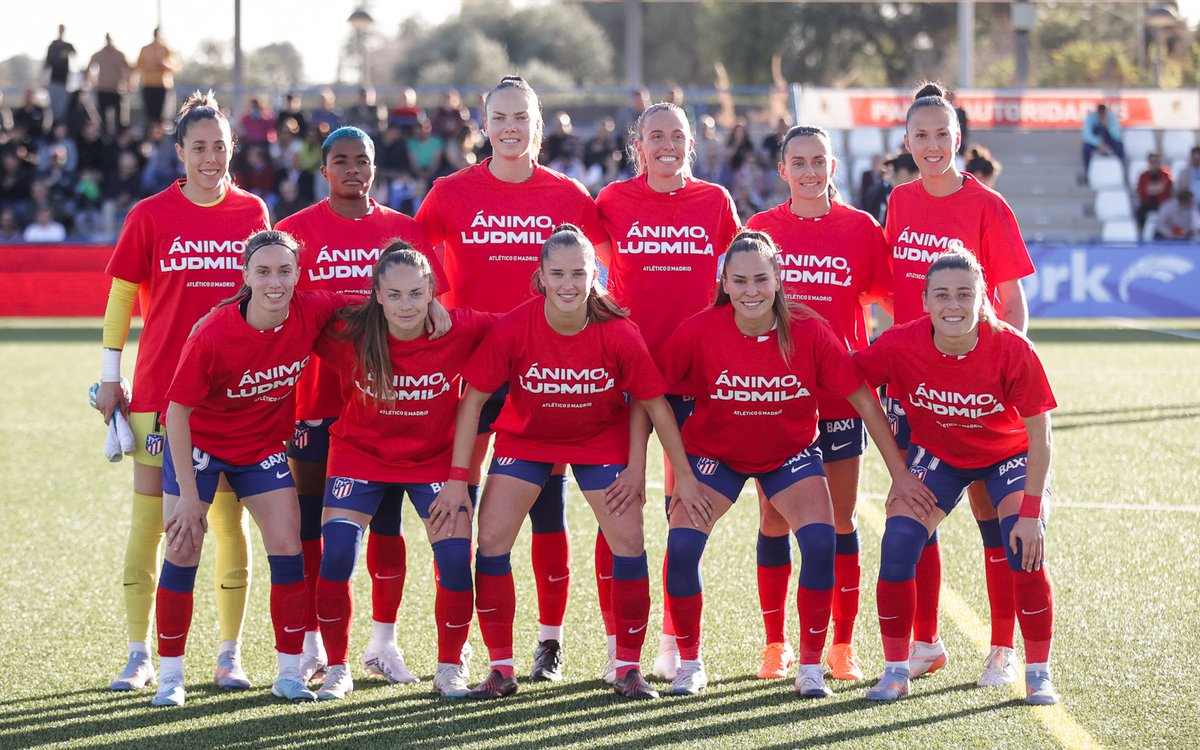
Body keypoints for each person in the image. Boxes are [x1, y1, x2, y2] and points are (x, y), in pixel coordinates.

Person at [659, 231, 931, 698]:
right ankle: (689, 664)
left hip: (789, 456)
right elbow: (654, 398)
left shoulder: (808, 330)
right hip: (715, 457)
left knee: (822, 542)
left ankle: (809, 666)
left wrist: (901, 473)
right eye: (740, 280)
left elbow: (865, 402)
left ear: (778, 279)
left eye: (761, 279)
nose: (751, 290)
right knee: (682, 549)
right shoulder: (699, 330)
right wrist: (681, 474)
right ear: (724, 281)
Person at [442, 224, 697, 700]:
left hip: (600, 440)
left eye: (578, 273)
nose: (567, 284)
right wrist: (459, 481)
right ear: (540, 276)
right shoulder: (516, 326)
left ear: (593, 274)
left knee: (628, 540)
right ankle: (501, 669)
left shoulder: (618, 331)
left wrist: (674, 473)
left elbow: (655, 404)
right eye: (557, 273)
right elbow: (472, 400)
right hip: (526, 440)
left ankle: (626, 668)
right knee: (492, 540)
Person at [415, 75, 610, 683]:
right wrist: (440, 307)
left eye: (521, 118)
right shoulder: (450, 192)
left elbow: (603, 269)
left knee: (547, 510)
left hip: (548, 375)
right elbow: (414, 259)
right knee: (460, 505)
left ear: (538, 123)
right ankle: (466, 646)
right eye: (499, 117)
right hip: (474, 372)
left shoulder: (570, 195)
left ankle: (548, 643)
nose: (509, 128)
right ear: (482, 121)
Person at [95, 91, 269, 695]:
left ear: (231, 150)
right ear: (179, 153)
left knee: (228, 523)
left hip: (233, 399)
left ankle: (228, 655)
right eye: (199, 148)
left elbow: (267, 297)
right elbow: (121, 296)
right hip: (156, 394)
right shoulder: (149, 215)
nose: (210, 158)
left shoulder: (253, 212)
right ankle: (140, 654)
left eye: (220, 147)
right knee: (153, 523)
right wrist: (109, 374)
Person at [275, 126, 451, 684]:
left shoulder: (402, 231)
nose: (353, 170)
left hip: (386, 405)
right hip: (313, 398)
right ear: (323, 169)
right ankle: (309, 644)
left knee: (387, 525)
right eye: (342, 161)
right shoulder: (294, 231)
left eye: (363, 161)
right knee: (312, 524)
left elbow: (434, 305)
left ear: (376, 167)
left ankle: (383, 642)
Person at [152, 229, 350, 706]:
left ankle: (288, 674)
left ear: (299, 274)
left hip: (260, 446)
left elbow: (370, 301)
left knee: (288, 546)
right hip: (198, 445)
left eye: (285, 271)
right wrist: (190, 496)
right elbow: (176, 413)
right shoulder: (215, 333)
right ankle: (170, 677)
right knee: (182, 545)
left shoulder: (312, 307)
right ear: (245, 275)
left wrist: (429, 306)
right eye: (263, 272)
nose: (275, 282)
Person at [855, 248, 1059, 706]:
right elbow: (850, 381)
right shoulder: (900, 342)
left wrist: (1031, 513)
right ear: (924, 300)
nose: (953, 305)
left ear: (984, 298)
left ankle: (1037, 671)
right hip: (940, 455)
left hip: (1009, 456)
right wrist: (897, 469)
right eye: (942, 295)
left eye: (965, 294)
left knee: (1022, 548)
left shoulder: (1012, 348)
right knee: (898, 541)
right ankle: (894, 671)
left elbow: (1041, 437)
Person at [884, 81, 1035, 688]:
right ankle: (925, 642)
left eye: (941, 135)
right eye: (920, 135)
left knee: (989, 517)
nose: (931, 145)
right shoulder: (899, 201)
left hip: (977, 387)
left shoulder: (988, 207)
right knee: (918, 512)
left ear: (959, 139)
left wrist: (1008, 377)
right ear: (907, 141)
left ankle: (1002, 648)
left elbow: (1011, 299)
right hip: (914, 386)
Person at [594, 101, 740, 683]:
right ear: (639, 146)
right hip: (624, 379)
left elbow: (736, 277)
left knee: (685, 510)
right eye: (655, 136)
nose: (666, 145)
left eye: (676, 135)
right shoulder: (611, 201)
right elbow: (590, 267)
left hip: (693, 380)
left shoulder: (716, 202)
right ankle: (616, 644)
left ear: (691, 144)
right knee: (618, 511)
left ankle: (679, 646)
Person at [310, 244, 495, 700]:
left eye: (417, 293)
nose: (407, 305)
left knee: (455, 561)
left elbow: (521, 327)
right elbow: (297, 305)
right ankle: (337, 668)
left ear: (433, 290)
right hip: (358, 454)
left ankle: (450, 667)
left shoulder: (461, 327)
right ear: (376, 294)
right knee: (335, 555)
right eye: (394, 295)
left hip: (433, 460)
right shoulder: (348, 331)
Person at [746, 125, 891, 683]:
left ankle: (843, 644)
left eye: (819, 161)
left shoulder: (860, 229)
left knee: (840, 517)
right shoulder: (760, 230)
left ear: (834, 168)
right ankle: (776, 643)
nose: (809, 171)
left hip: (838, 398)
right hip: (774, 397)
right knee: (773, 515)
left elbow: (891, 302)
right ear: (782, 170)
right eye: (797, 162)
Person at [133, 28, 180, 126]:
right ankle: (150, 136)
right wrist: (149, 67)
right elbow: (137, 66)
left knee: (162, 116)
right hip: (148, 85)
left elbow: (176, 67)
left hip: (162, 86)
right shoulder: (145, 49)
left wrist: (164, 65)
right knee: (150, 115)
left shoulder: (166, 49)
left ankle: (160, 137)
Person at [88, 33, 131, 135]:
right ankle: (103, 137)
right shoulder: (99, 54)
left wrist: (127, 84)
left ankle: (119, 136)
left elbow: (128, 69)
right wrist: (91, 83)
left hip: (115, 90)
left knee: (119, 118)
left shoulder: (119, 54)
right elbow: (88, 69)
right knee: (102, 118)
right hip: (103, 89)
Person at [43, 24, 76, 127]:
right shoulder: (52, 46)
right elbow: (47, 64)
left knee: (62, 110)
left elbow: (74, 57)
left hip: (65, 82)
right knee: (53, 110)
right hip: (54, 81)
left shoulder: (68, 46)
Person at [1135, 153, 1173, 237]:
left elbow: (1165, 188)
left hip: (1163, 203)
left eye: (1156, 161)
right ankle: (1142, 235)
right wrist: (1157, 188)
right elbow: (1144, 190)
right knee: (1139, 212)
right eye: (1152, 162)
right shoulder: (1143, 176)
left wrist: (1153, 189)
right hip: (1147, 203)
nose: (1154, 164)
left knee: (1170, 210)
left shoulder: (1165, 175)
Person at [1081, 103, 1124, 174]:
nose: (1101, 115)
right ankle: (1088, 172)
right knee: (1086, 148)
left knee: (1119, 146)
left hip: (1109, 141)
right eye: (1099, 113)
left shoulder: (1112, 118)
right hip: (1096, 142)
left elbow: (1117, 136)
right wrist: (1098, 143)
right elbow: (1086, 135)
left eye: (1103, 113)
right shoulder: (1091, 118)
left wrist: (1109, 126)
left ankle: (1120, 169)